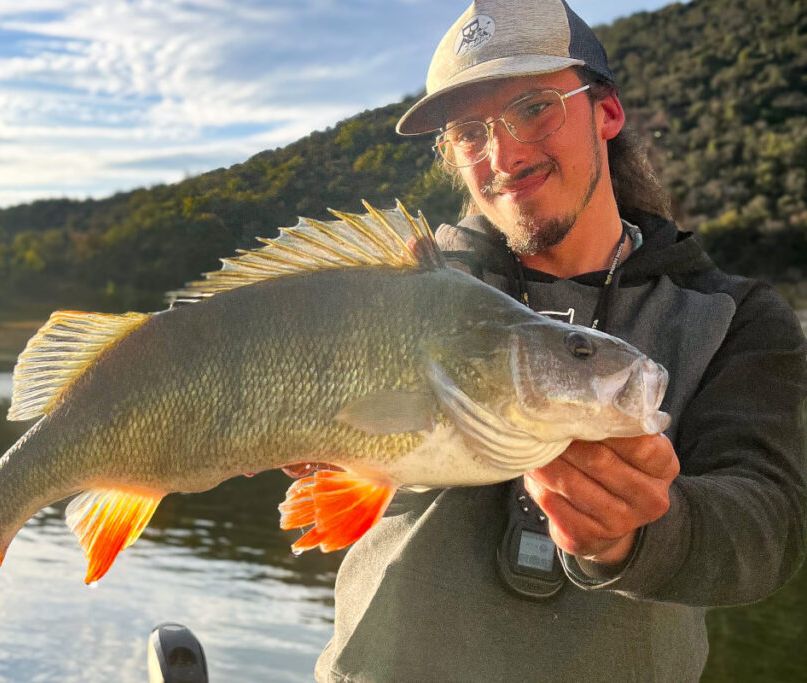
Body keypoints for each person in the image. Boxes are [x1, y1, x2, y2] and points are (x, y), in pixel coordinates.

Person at [313, 1, 807, 681]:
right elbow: (326, 453)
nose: (504, 152)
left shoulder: (735, 317)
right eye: (467, 131)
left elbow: (770, 525)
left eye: (536, 107)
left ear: (606, 112)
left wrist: (643, 531)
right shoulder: (399, 290)